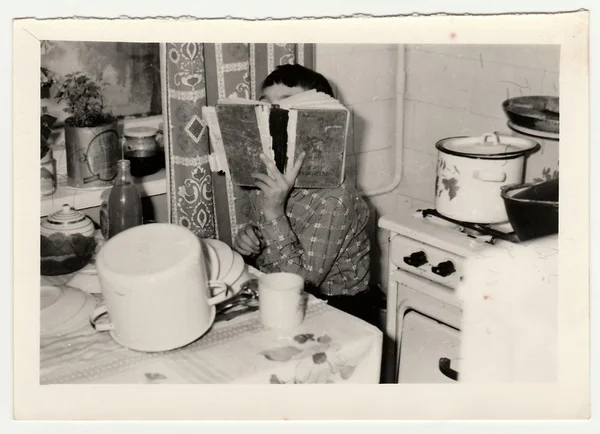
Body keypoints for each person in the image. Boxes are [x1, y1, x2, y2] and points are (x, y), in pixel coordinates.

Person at [232, 64, 375, 324]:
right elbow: (268, 243)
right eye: (265, 107)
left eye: (286, 108)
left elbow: (299, 286)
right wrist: (249, 240)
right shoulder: (265, 178)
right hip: (278, 292)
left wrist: (274, 210)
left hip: (340, 311)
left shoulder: (334, 198)